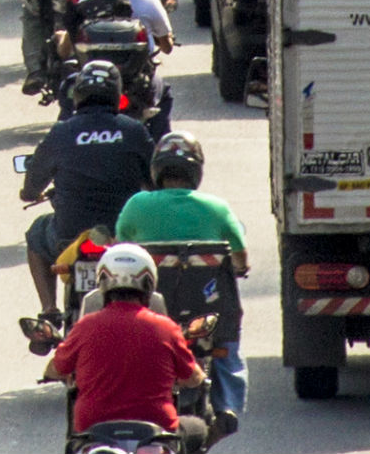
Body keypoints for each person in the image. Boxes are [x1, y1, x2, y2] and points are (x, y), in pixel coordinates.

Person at [113, 135, 253, 429]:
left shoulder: (137, 205)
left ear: (157, 170)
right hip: (209, 312)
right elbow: (239, 254)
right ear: (196, 170)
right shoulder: (216, 207)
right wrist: (240, 267)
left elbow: (120, 248)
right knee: (226, 349)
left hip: (149, 309)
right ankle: (227, 407)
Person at [20, 65, 159, 322]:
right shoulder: (134, 131)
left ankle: (49, 311)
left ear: (78, 94)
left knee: (36, 235)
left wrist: (28, 193)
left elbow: (31, 188)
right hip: (125, 236)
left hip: (69, 237)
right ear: (117, 94)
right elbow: (156, 182)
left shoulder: (61, 132)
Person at [46, 243, 213, 440]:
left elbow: (55, 370)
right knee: (198, 428)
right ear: (149, 284)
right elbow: (193, 378)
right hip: (156, 429)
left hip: (92, 429)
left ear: (103, 283)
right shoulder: (166, 328)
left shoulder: (85, 326)